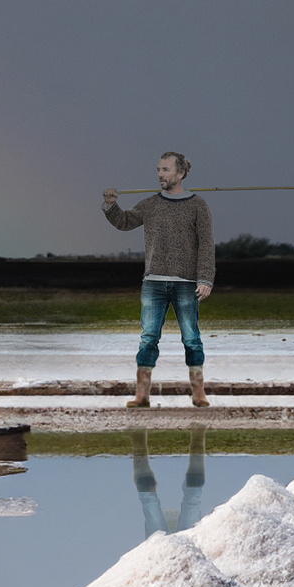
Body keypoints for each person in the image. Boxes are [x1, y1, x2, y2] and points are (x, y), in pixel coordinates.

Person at [103, 152, 215, 407]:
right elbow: (124, 222)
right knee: (148, 337)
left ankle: (198, 392)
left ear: (180, 173)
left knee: (191, 337)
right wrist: (110, 205)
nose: (160, 175)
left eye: (165, 170)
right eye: (158, 170)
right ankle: (142, 395)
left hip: (186, 283)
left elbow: (207, 245)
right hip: (153, 282)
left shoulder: (198, 205)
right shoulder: (150, 204)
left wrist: (205, 279)